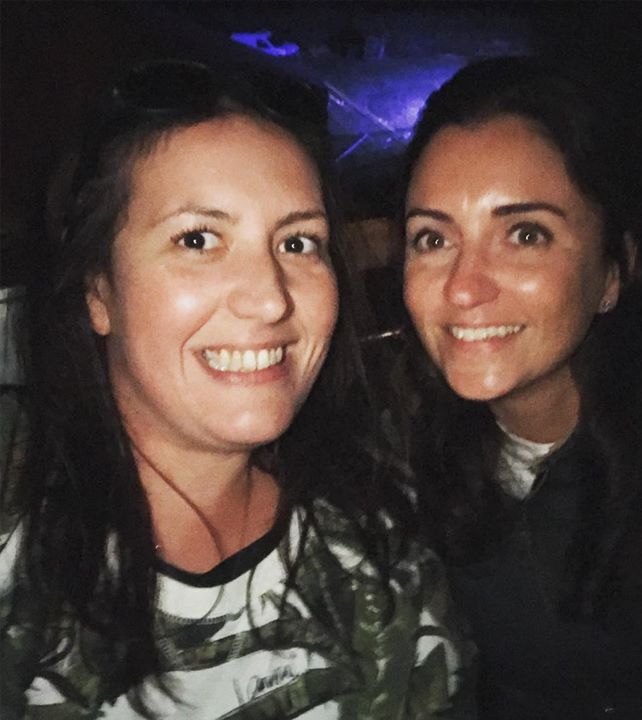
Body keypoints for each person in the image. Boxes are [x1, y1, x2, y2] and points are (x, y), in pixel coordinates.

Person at [0, 59, 470, 719]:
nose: (270, 298)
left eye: (298, 243)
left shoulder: (382, 531)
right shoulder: (19, 526)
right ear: (98, 290)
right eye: (198, 239)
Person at [398, 57, 642, 719]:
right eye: (432, 238)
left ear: (614, 272)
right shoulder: (405, 467)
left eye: (525, 234)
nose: (463, 287)